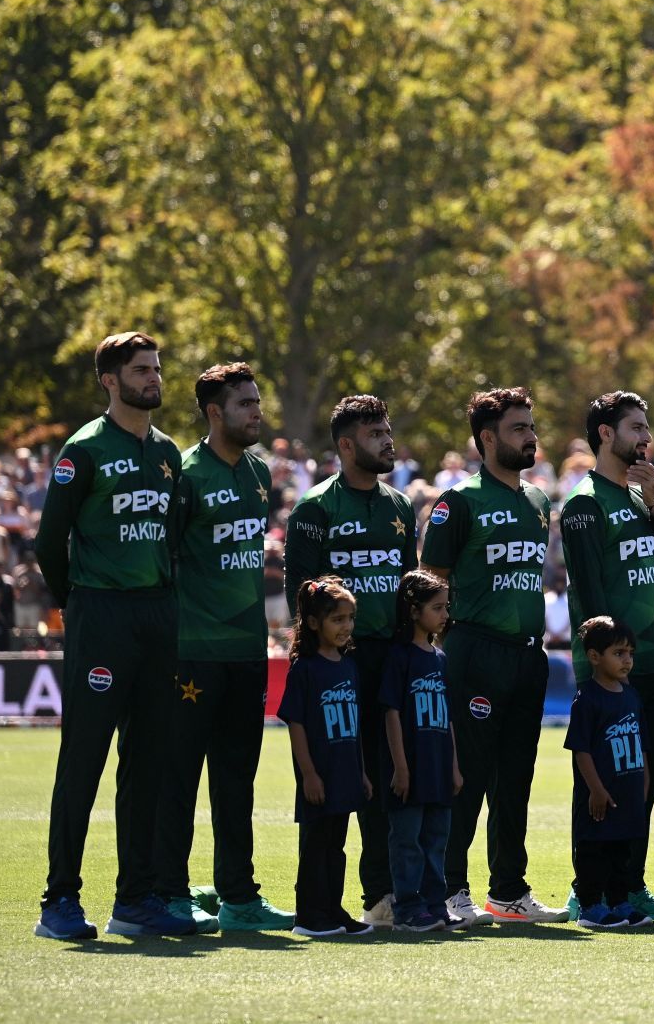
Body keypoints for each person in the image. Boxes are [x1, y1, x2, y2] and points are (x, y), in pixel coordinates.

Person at [34, 332, 195, 941]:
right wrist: (73, 602)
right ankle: (59, 902)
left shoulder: (167, 453)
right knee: (84, 760)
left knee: (148, 760)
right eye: (140, 370)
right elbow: (50, 542)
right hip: (101, 615)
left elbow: (172, 538)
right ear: (109, 380)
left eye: (156, 368)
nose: (153, 378)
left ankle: (135, 899)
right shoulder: (83, 450)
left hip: (157, 617)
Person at [155, 362, 290, 934]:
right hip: (192, 651)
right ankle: (168, 894)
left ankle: (238, 897)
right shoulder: (183, 474)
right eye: (245, 404)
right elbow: (164, 560)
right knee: (180, 777)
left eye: (257, 401)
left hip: (246, 650)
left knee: (237, 779)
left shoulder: (258, 473)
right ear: (214, 412)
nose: (256, 412)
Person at [421, 387, 560, 926]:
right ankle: (450, 886)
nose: (531, 436)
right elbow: (433, 582)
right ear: (487, 438)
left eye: (531, 426)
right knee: (468, 775)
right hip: (474, 652)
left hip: (529, 655)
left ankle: (507, 891)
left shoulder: (538, 500)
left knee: (516, 779)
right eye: (519, 428)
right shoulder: (458, 502)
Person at [285, 394, 421, 928]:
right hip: (335, 665)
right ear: (345, 445)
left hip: (390, 660)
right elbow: (303, 595)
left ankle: (382, 896)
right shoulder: (315, 508)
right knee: (337, 780)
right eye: (374, 434)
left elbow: (408, 586)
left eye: (387, 431)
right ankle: (318, 904)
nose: (387, 441)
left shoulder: (400, 505)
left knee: (388, 780)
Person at [556, 390, 654, 919]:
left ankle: (630, 887)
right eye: (635, 427)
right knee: (599, 785)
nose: (645, 438)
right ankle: (588, 891)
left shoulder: (641, 499)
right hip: (610, 672)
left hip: (653, 661)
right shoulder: (586, 503)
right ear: (606, 435)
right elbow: (590, 594)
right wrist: (607, 663)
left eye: (646, 428)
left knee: (642, 783)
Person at [278, 578, 374, 938]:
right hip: (320, 772)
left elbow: (357, 724)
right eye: (337, 619)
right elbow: (296, 723)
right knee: (317, 844)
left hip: (346, 770)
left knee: (336, 845)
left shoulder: (348, 664)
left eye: (350, 618)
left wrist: (362, 772)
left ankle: (333, 909)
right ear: (315, 623)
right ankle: (309, 916)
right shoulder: (305, 668)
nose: (346, 626)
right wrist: (309, 775)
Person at [381, 570, 462, 934]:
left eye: (446, 607)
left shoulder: (440, 657)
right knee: (407, 840)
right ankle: (408, 908)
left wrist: (455, 766)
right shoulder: (399, 656)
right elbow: (392, 712)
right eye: (437, 608)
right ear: (414, 611)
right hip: (411, 767)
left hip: (438, 767)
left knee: (436, 840)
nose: (445, 615)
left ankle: (433, 904)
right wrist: (400, 766)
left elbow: (448, 720)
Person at [565, 616, 653, 930]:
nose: (626, 659)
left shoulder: (631, 696)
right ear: (594, 656)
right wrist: (596, 790)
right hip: (600, 796)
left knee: (622, 851)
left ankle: (619, 902)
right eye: (618, 653)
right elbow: (581, 750)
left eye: (629, 652)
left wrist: (644, 777)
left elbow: (641, 740)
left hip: (628, 792)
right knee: (595, 850)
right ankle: (590, 907)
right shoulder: (587, 698)